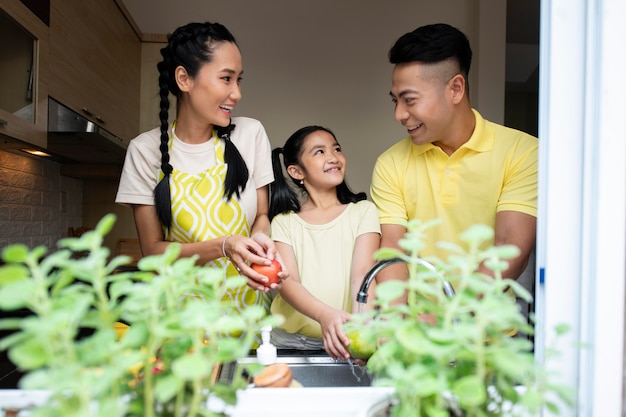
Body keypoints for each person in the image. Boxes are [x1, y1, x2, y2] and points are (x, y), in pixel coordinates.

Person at [115, 22, 287, 336]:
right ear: (184, 78)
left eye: (238, 80)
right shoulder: (144, 151)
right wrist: (224, 246)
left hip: (249, 324)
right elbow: (154, 252)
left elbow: (261, 214)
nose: (236, 93)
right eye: (226, 78)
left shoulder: (250, 134)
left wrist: (261, 237)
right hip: (182, 331)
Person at [370, 23, 537, 298]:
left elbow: (510, 248)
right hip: (413, 332)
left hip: (489, 334)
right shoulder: (391, 163)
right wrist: (397, 323)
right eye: (395, 101)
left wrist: (448, 319)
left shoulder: (523, 152)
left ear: (456, 89)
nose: (399, 114)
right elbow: (393, 250)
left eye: (409, 100)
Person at [268, 126, 381, 360]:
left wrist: (363, 328)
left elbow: (362, 276)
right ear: (296, 171)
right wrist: (325, 315)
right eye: (319, 152)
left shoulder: (363, 212)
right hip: (293, 344)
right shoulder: (284, 223)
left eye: (337, 149)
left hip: (346, 343)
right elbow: (287, 283)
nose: (333, 157)